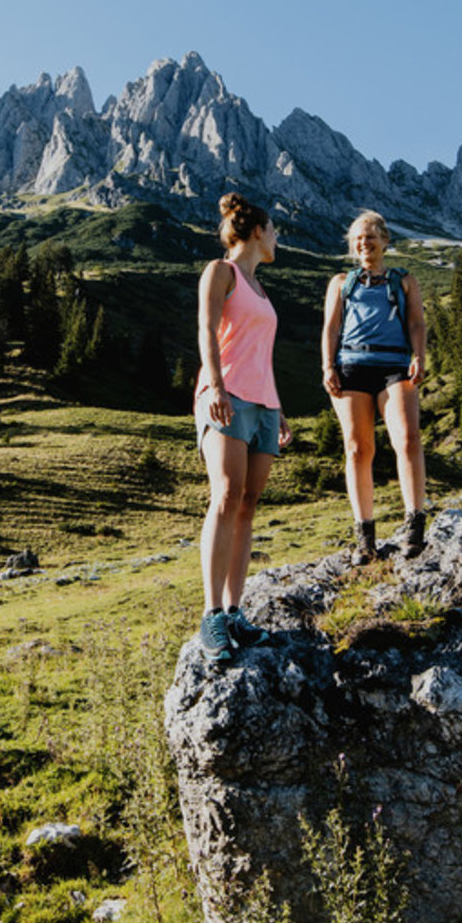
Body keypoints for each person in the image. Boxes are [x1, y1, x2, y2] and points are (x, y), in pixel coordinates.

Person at [193, 193, 289, 665]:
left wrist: (280, 409)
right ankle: (211, 614)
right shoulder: (222, 272)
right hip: (226, 395)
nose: (276, 239)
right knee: (226, 496)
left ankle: (234, 613)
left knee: (249, 505)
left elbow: (261, 353)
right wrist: (215, 386)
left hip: (264, 404)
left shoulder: (262, 290)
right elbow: (207, 330)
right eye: (272, 231)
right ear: (256, 232)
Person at [321, 210, 428, 563]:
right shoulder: (341, 282)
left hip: (395, 366)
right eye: (358, 238)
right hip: (351, 368)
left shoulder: (405, 280)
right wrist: (328, 366)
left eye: (370, 236)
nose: (364, 242)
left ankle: (414, 523)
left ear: (385, 240)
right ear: (352, 245)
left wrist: (419, 356)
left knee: (408, 439)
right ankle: (364, 534)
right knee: (356, 449)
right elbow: (331, 329)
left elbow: (416, 323)